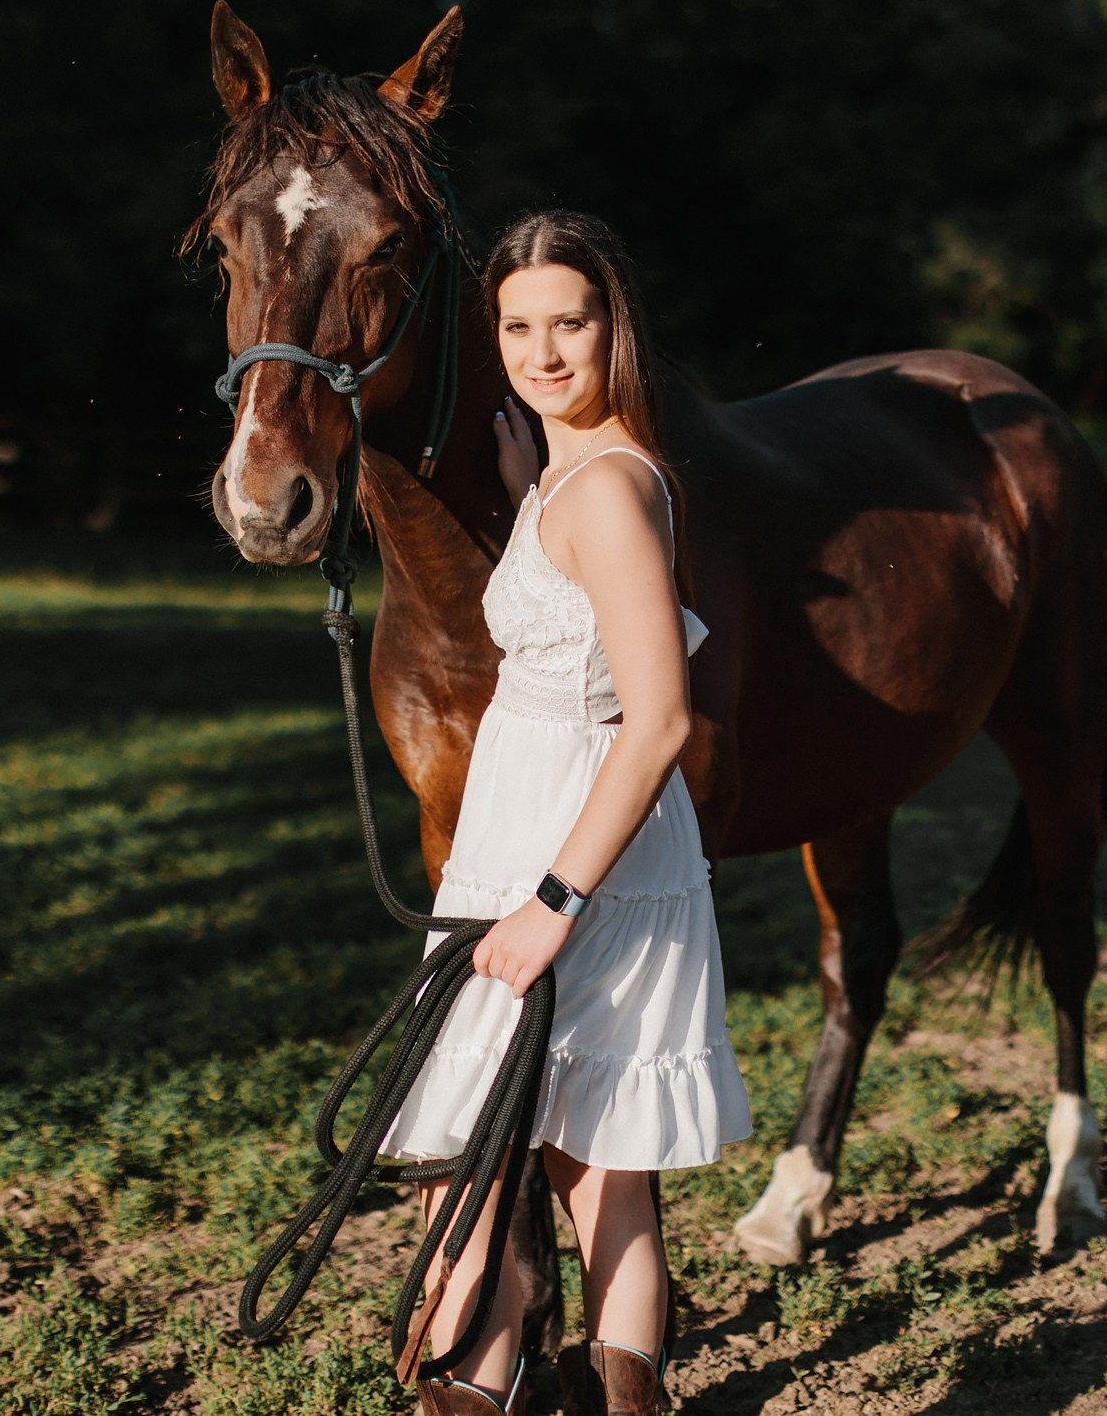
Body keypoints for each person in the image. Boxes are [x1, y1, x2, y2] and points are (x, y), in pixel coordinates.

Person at [383, 210, 752, 1416]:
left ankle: (483, 1390)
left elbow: (656, 719)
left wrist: (551, 902)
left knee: (534, 1163)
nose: (543, 352)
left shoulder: (605, 492)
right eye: (517, 325)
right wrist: (525, 490)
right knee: (555, 1156)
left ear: (614, 328)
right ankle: (536, 1387)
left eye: (570, 324)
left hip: (570, 853)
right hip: (534, 829)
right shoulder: (580, 479)